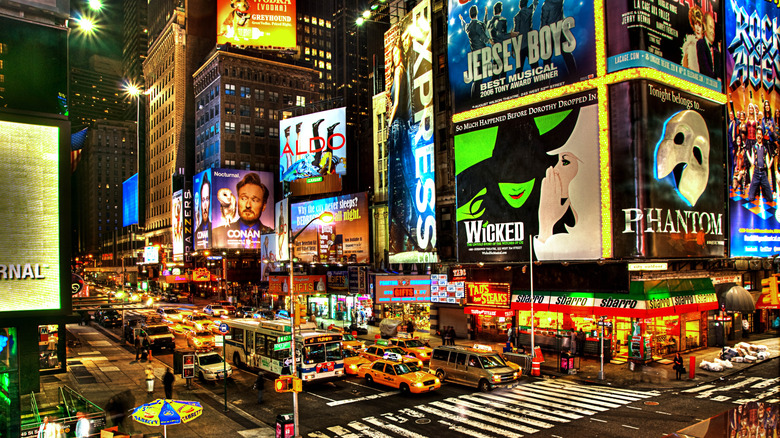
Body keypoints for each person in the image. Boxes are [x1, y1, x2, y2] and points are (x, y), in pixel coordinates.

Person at [534, 105, 600, 260]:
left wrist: (545, 224)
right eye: (557, 161)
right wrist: (546, 224)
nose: (554, 170)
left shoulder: (593, 239)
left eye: (565, 162)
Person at [212, 172, 273, 248]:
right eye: (243, 198)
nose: (248, 205)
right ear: (237, 201)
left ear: (263, 205)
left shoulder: (273, 234)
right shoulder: (217, 234)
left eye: (254, 200)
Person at [748, 127, 774, 203]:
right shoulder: (753, 148)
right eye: (758, 134)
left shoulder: (765, 149)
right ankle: (756, 192)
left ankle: (764, 193)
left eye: (760, 134)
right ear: (756, 136)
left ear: (762, 136)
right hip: (756, 173)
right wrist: (747, 153)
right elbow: (752, 162)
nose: (759, 136)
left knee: (770, 198)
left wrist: (773, 157)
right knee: (750, 198)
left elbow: (768, 165)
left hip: (763, 174)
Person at [513, 0, 538, 71]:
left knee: (519, 69)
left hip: (521, 46)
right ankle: (541, 82)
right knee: (535, 66)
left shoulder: (517, 17)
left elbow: (516, 32)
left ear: (519, 5)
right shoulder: (530, 11)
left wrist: (513, 47)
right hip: (530, 44)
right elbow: (535, 3)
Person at [696, 12, 720, 79]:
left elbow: (719, 72)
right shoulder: (701, 44)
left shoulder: (716, 51)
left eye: (714, 29)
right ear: (705, 26)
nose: (712, 31)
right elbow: (704, 67)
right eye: (710, 27)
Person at [681, 6, 703, 72]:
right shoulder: (690, 45)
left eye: (699, 25)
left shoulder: (707, 48)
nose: (697, 28)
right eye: (695, 24)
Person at [195, 173, 211, 249]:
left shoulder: (218, 231)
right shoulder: (195, 234)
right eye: (203, 200)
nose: (205, 206)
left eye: (207, 199)